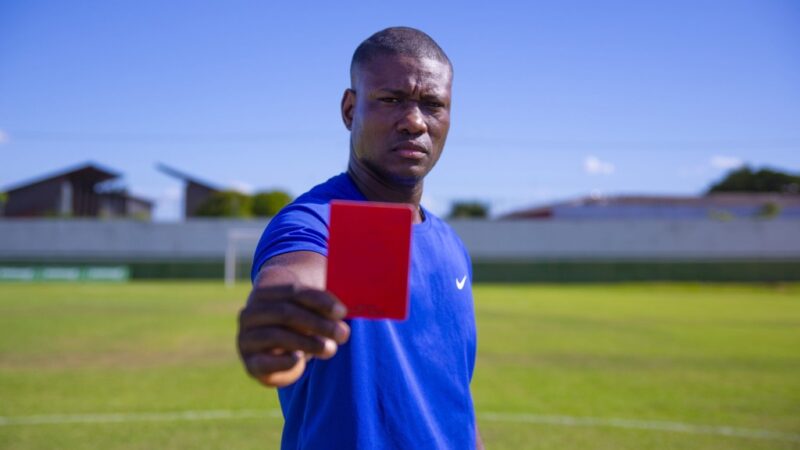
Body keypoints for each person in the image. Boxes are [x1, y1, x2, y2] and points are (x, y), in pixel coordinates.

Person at [237, 26, 483, 449]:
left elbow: (455, 399)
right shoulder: (318, 222)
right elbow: (295, 275)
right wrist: (279, 318)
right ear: (350, 109)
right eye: (391, 100)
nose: (414, 121)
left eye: (433, 105)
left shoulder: (450, 246)